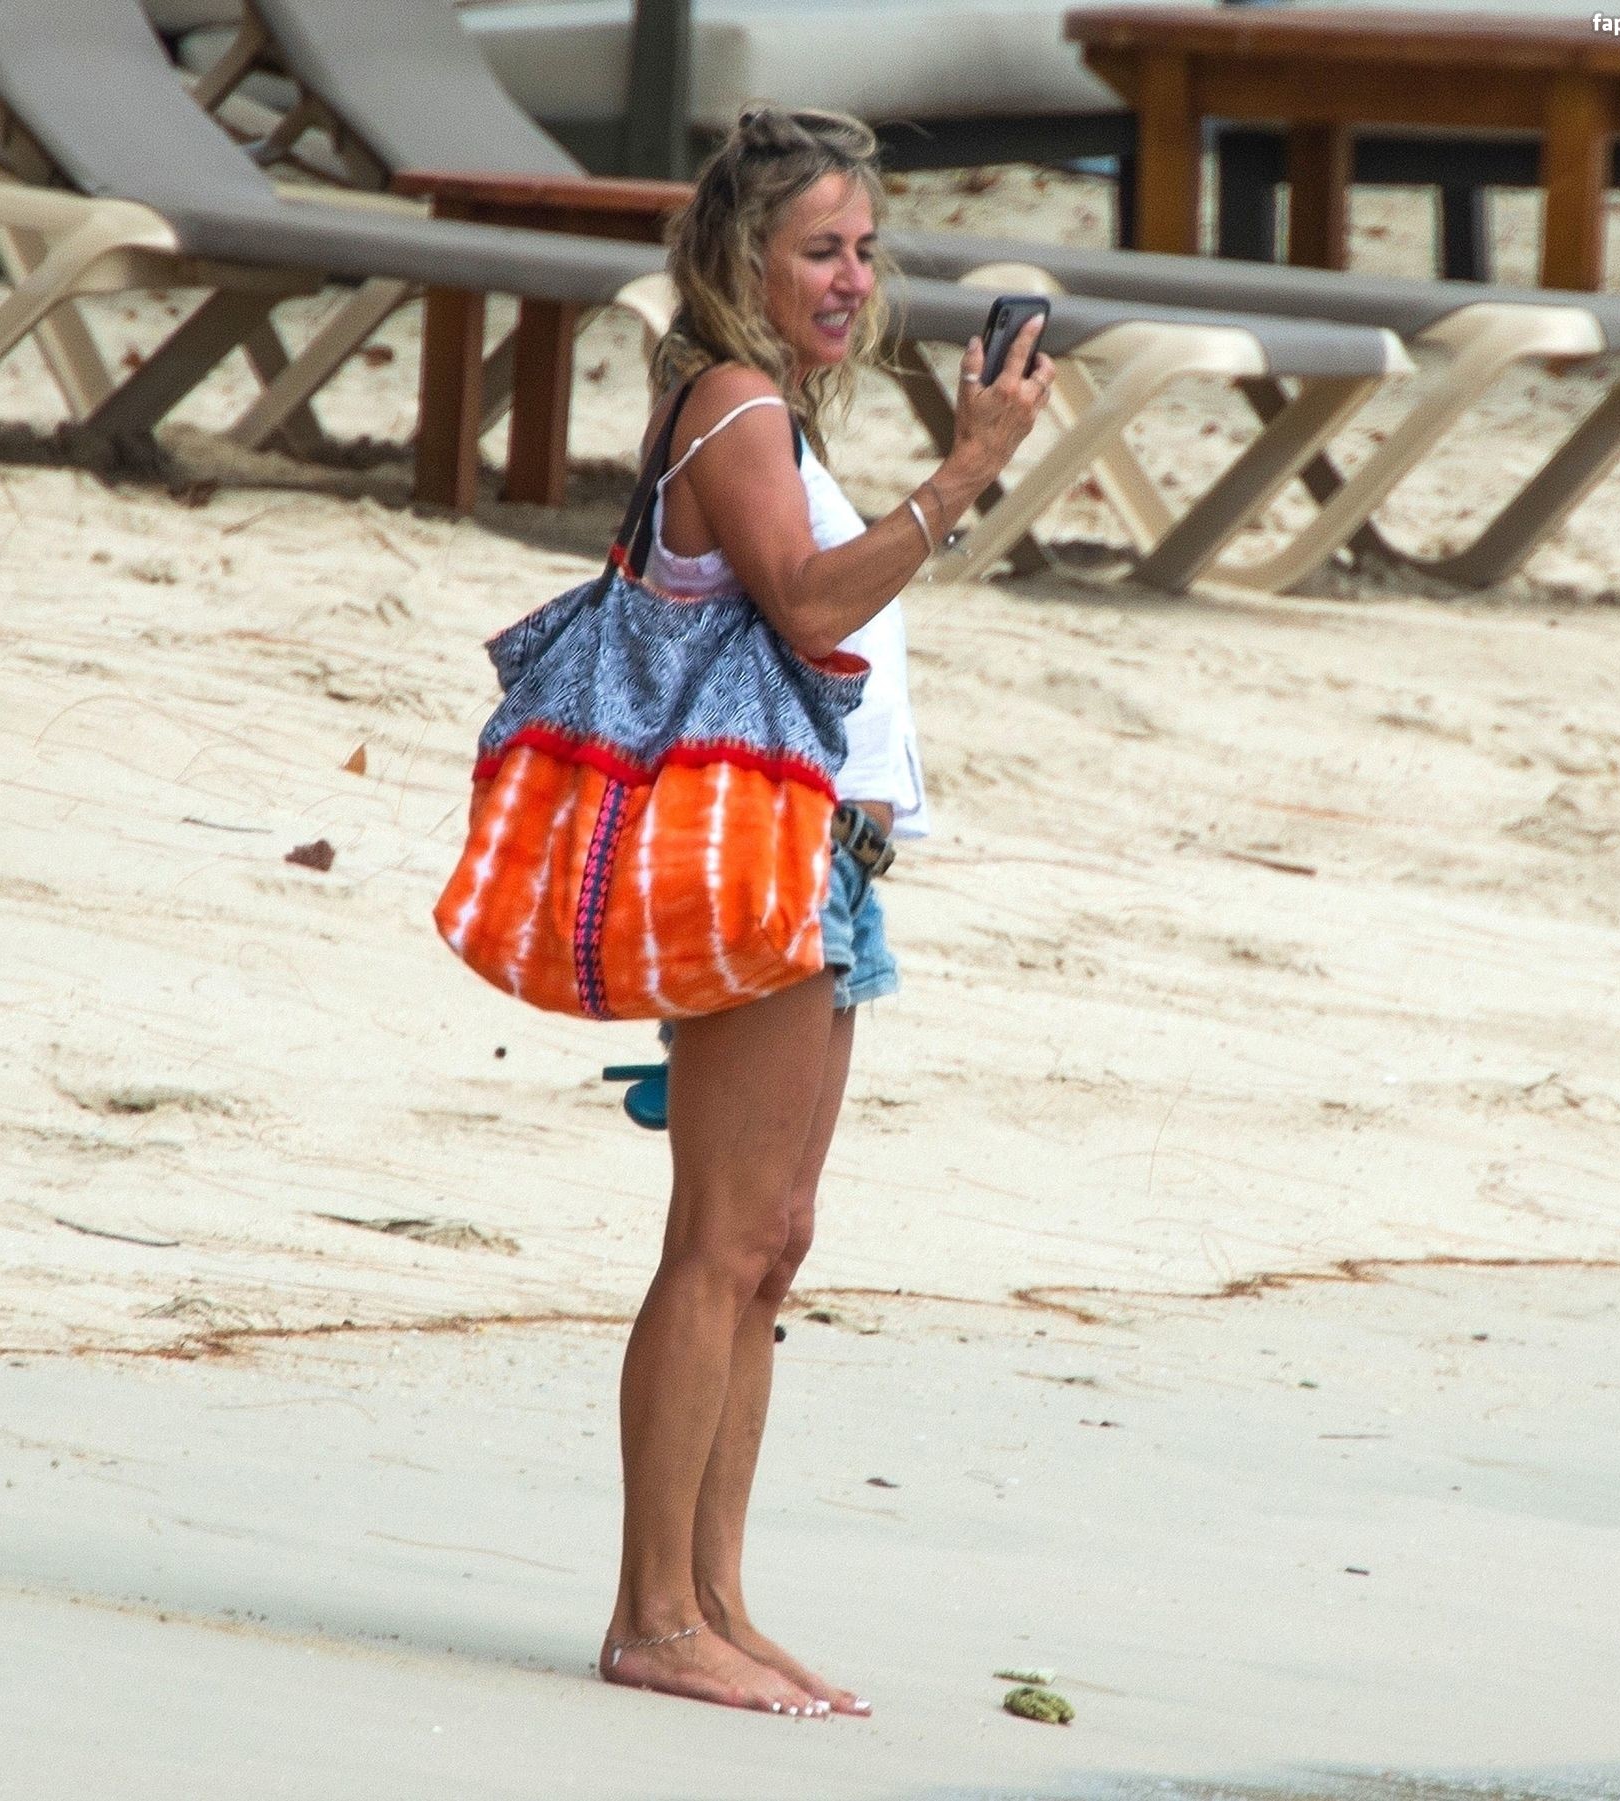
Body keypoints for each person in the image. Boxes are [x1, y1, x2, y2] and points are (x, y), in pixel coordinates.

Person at [601, 106, 1053, 1719]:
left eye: (865, 249)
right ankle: (653, 1614)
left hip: (830, 866)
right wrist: (969, 468)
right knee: (720, 1240)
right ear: (744, 259)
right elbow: (805, 604)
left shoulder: (772, 413)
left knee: (773, 1243)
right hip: (760, 856)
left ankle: (716, 1597)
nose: (853, 277)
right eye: (820, 251)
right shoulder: (732, 407)